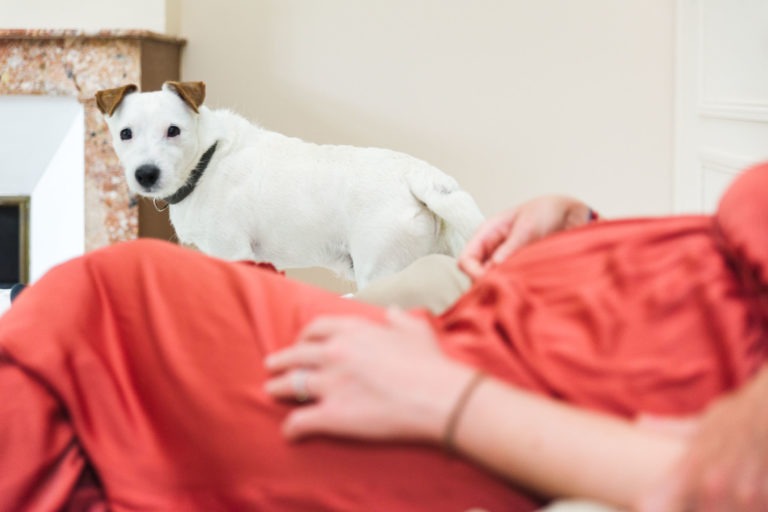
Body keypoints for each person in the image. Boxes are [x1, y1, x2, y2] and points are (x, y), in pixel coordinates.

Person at [1, 162, 767, 511]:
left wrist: (447, 400)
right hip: (496, 318)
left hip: (486, 384)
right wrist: (585, 230)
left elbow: (717, 484)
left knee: (94, 320)